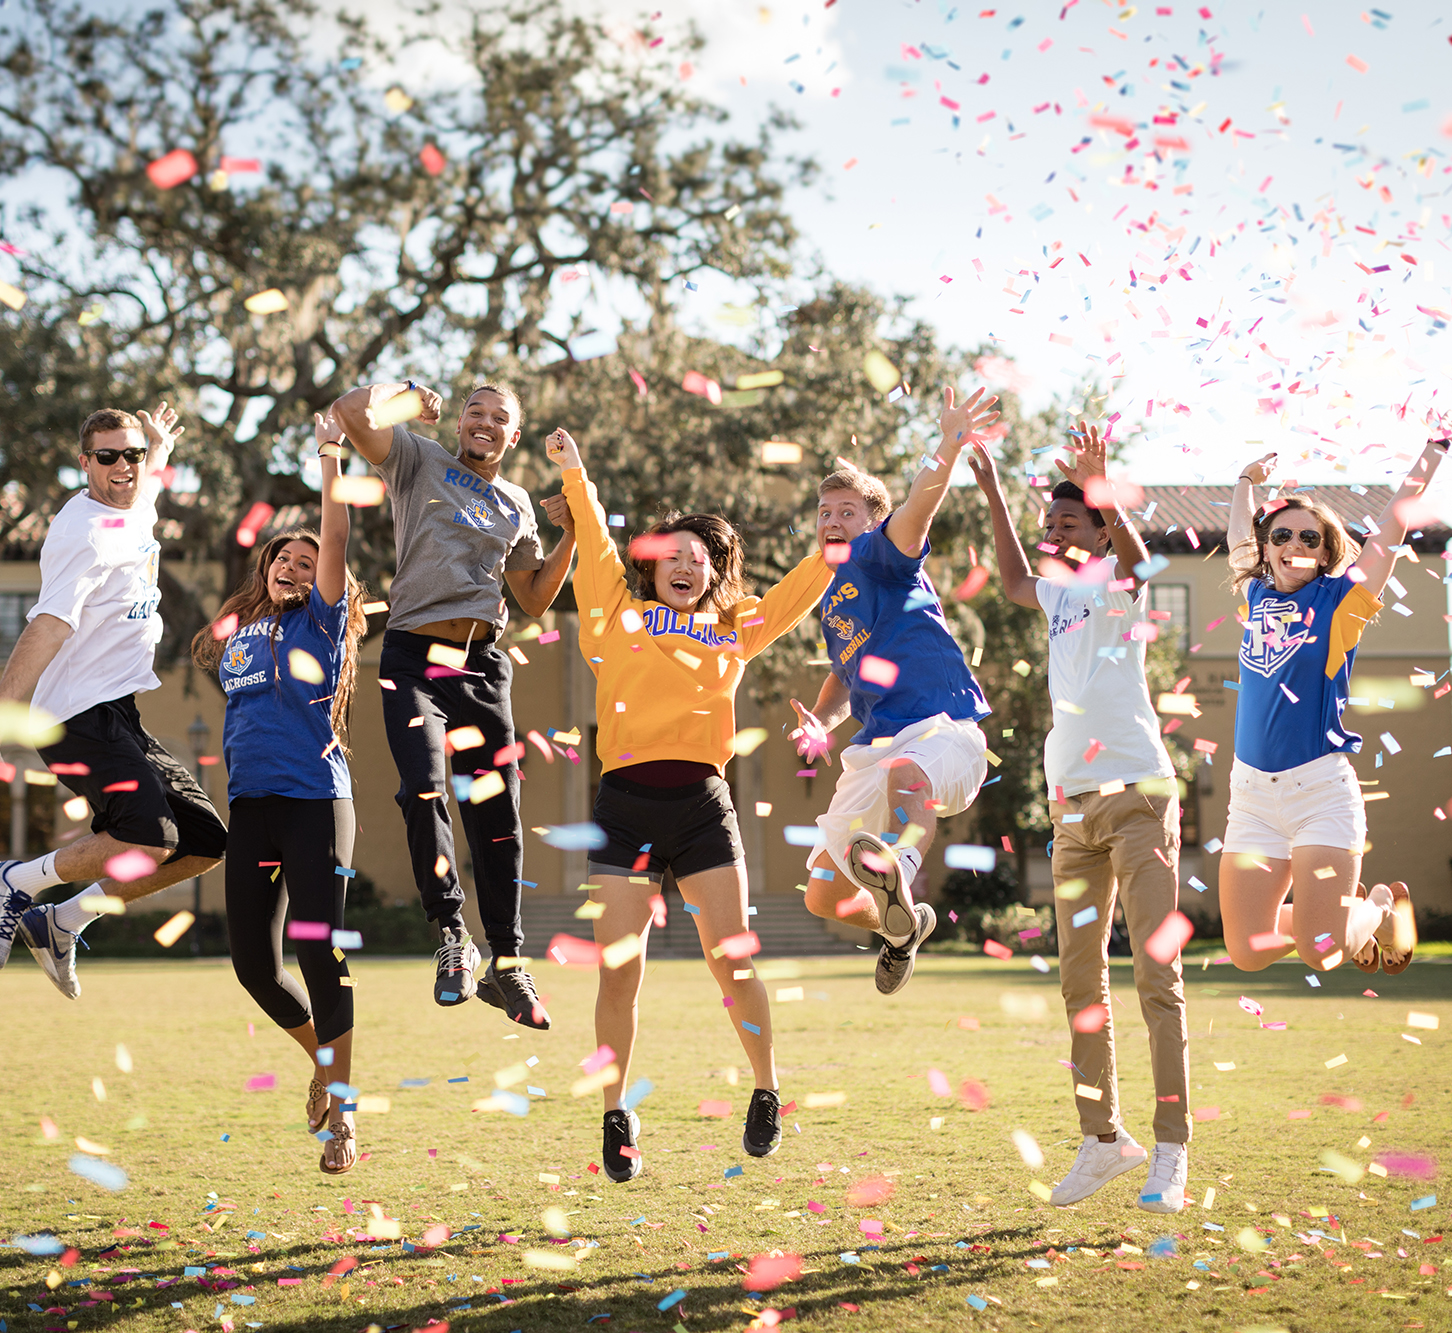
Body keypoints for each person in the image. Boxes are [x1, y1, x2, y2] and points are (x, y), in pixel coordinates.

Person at [550, 427, 833, 1180]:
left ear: (713, 575)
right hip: (625, 805)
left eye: (698, 559)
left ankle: (767, 1089)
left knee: (730, 959)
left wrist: (833, 547)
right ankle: (616, 1113)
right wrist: (577, 473)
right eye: (672, 553)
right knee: (620, 971)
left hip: (703, 804)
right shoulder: (616, 616)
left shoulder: (731, 628)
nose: (683, 563)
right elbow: (596, 548)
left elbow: (792, 598)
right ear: (653, 563)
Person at [969, 420, 1192, 1213]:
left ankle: (1171, 1149)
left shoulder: (1116, 585)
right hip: (1071, 811)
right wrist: (993, 485)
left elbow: (1146, 561)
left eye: (1069, 521)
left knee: (1155, 980)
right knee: (1079, 984)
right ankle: (1104, 1140)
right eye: (1049, 522)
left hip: (1136, 794)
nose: (1053, 531)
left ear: (1096, 527)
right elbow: (1013, 579)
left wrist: (1101, 487)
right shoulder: (1059, 596)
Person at [0, 403, 226, 999]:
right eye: (108, 457)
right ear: (85, 464)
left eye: (131, 455)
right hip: (75, 715)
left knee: (205, 843)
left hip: (118, 712)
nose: (124, 467)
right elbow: (49, 623)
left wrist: (155, 446)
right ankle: (13, 881)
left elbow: (148, 477)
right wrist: (0, 709)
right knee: (150, 838)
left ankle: (62, 921)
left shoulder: (134, 499)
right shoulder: (82, 534)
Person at [330, 379, 577, 1028]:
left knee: (498, 812)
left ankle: (508, 964)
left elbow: (532, 598)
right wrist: (408, 393)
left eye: (501, 418)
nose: (486, 423)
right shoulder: (418, 458)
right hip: (414, 657)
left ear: (513, 436)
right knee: (423, 788)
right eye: (477, 411)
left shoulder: (517, 502)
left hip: (482, 666)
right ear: (460, 420)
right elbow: (349, 411)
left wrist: (571, 535)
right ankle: (450, 936)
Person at [187, 417, 368, 1173]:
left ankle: (345, 1112)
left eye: (308, 559)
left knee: (317, 949)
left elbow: (336, 530)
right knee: (255, 967)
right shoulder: (237, 639)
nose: (295, 567)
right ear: (263, 571)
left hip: (315, 802)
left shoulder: (320, 624)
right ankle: (324, 1064)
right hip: (253, 810)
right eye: (282, 559)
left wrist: (331, 459)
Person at [1217, 428, 1452, 977]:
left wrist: (1433, 449)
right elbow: (1237, 542)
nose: (1294, 546)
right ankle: (1341, 920)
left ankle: (1374, 908)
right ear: (1267, 546)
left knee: (1320, 953)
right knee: (1247, 952)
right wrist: (1246, 483)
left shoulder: (1341, 603)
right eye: (1282, 536)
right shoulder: (1256, 594)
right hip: (1251, 796)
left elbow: (1394, 526)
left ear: (1326, 553)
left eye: (1309, 538)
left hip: (1318, 793)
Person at [790, 387, 1004, 993]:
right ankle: (900, 926)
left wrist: (949, 444)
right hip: (873, 745)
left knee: (906, 773)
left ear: (873, 521)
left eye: (847, 511)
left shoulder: (886, 557)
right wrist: (821, 725)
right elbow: (843, 676)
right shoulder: (831, 599)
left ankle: (899, 869)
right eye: (825, 513)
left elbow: (919, 506)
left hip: (943, 729)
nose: (833, 521)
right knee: (825, 897)